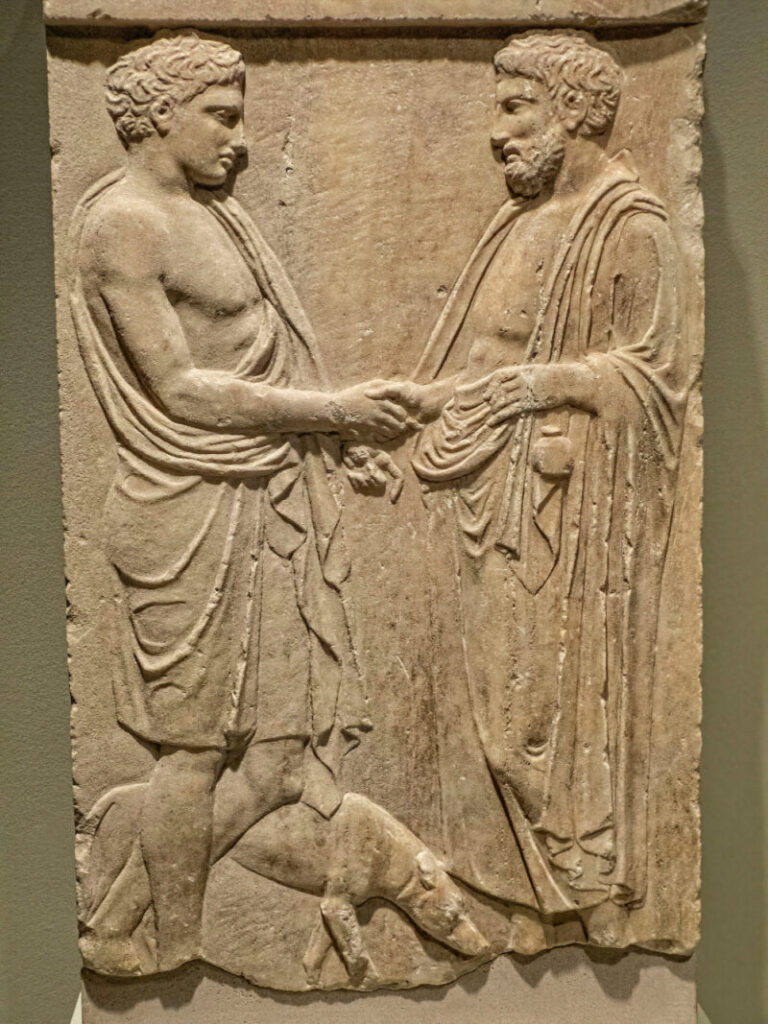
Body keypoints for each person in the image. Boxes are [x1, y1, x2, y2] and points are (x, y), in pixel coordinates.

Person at [71, 33, 410, 973]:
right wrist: (333, 412)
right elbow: (181, 389)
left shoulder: (217, 214)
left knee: (276, 761)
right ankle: (169, 950)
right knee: (191, 752)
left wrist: (334, 439)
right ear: (159, 115)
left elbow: (267, 350)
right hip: (185, 507)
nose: (242, 139)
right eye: (220, 116)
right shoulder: (125, 224)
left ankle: (118, 920)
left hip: (266, 498)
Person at [400, 31, 691, 944]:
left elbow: (654, 382)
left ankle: (587, 897)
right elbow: (480, 361)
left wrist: (537, 387)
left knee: (545, 718)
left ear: (572, 111)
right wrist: (405, 408)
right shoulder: (515, 221)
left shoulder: (631, 227)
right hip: (488, 496)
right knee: (495, 718)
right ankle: (527, 897)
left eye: (515, 107)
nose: (498, 132)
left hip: (572, 522)